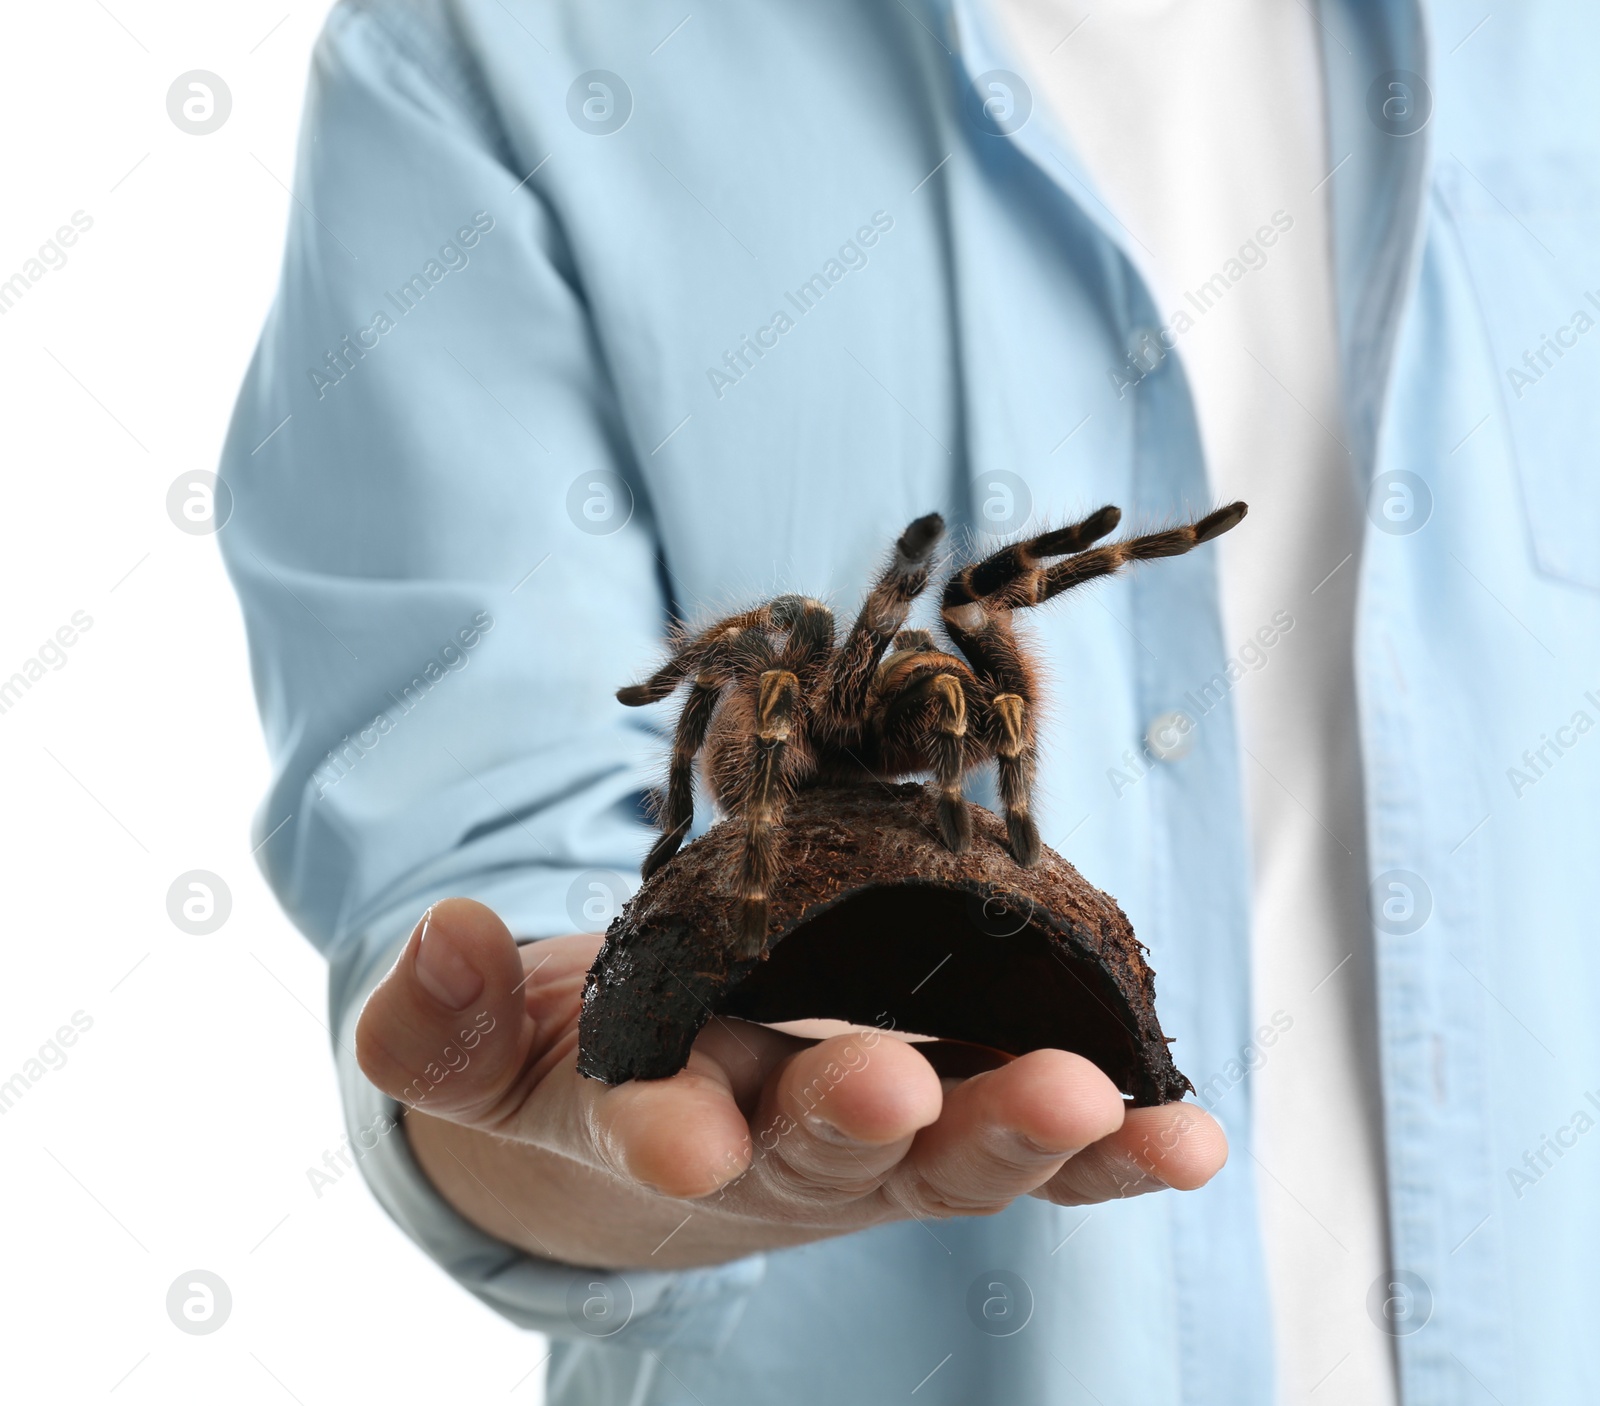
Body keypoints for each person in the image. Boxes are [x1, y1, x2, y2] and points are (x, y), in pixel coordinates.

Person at [219, 1, 1599, 1402]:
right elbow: (490, 862)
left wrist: (1012, 784)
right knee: (781, 648)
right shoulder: (482, 48)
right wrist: (573, 1083)